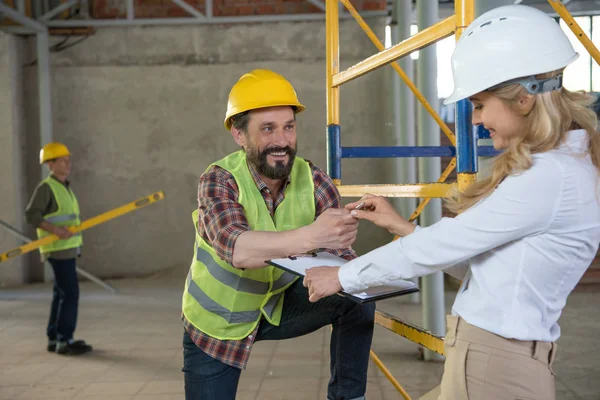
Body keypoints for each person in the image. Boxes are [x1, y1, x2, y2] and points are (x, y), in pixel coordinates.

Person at [303, 5, 600, 400]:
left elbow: (447, 244)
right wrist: (401, 227)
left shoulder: (549, 176)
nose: (475, 119)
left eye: (479, 104)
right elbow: (487, 269)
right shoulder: (565, 165)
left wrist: (341, 276)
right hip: (493, 358)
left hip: (497, 366)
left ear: (522, 99)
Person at [180, 69, 376, 400]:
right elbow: (236, 248)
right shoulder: (218, 180)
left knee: (355, 293)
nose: (281, 141)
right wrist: (315, 235)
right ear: (238, 135)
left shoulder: (314, 180)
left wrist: (356, 269)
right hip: (218, 321)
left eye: (289, 127)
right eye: (267, 129)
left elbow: (339, 253)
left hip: (280, 304)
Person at [25, 142, 93, 356]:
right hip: (58, 248)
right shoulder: (47, 187)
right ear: (51, 164)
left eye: (67, 159)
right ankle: (65, 339)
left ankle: (54, 338)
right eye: (62, 160)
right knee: (70, 293)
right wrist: (55, 230)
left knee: (61, 292)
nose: (68, 163)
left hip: (68, 248)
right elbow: (32, 215)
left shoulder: (64, 186)